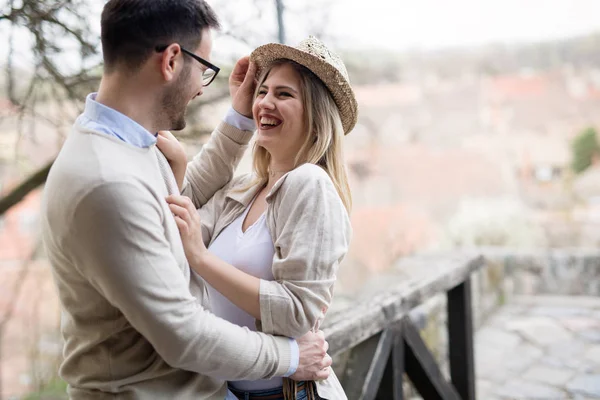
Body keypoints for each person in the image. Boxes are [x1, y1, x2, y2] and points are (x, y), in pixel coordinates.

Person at [40, 1, 331, 399]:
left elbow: (179, 205)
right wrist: (292, 356)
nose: (200, 86)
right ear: (172, 61)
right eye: (205, 70)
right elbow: (185, 335)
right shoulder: (106, 181)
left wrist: (240, 119)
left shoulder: (126, 149)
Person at [162, 36, 358, 400]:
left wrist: (201, 259)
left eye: (284, 94)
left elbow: (298, 313)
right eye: (262, 91)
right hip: (232, 391)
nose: (265, 102)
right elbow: (174, 219)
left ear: (316, 113)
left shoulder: (310, 184)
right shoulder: (244, 191)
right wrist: (237, 115)